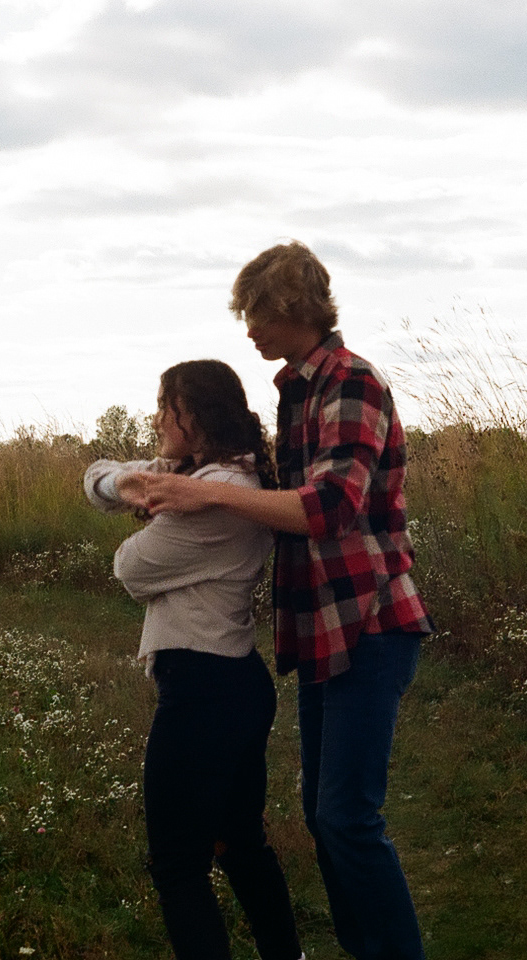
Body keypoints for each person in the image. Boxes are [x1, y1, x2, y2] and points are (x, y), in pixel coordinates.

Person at [127, 243, 434, 960]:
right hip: (324, 626)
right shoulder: (297, 391)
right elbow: (268, 493)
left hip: (370, 619)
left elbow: (329, 507)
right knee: (323, 817)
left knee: (347, 818)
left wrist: (204, 495)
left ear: (293, 307)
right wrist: (177, 481)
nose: (249, 329)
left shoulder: (351, 382)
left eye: (257, 313)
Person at [84, 359, 302, 960]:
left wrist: (150, 488)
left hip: (204, 689)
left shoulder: (217, 497)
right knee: (240, 844)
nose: (157, 418)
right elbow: (94, 477)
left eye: (167, 406)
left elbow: (129, 568)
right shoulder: (206, 477)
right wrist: (135, 482)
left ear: (197, 415)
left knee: (178, 863)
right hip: (232, 683)